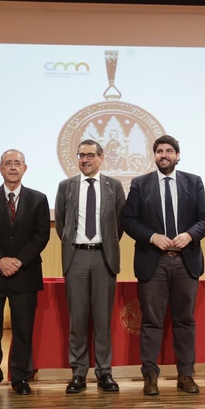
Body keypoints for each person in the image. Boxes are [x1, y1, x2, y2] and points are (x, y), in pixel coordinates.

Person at [122, 134, 205, 395]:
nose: (164, 155)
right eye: (160, 151)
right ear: (155, 156)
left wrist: (190, 235)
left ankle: (186, 375)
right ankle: (150, 376)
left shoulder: (193, 182)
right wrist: (152, 237)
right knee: (151, 322)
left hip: (185, 262)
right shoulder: (140, 184)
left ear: (178, 155)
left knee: (185, 321)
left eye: (169, 151)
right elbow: (128, 220)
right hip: (154, 261)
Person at [0, 150, 50, 396]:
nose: (13, 167)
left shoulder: (39, 199)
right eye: (8, 163)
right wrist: (0, 260)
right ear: (0, 168)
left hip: (24, 274)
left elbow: (41, 235)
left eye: (18, 163)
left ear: (25, 169)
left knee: (23, 330)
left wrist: (18, 261)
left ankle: (20, 377)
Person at [55, 139, 126, 393]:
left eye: (89, 155)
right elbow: (62, 224)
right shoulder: (66, 186)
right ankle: (78, 373)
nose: (84, 160)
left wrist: (104, 244)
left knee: (102, 320)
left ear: (101, 157)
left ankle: (104, 372)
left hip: (103, 257)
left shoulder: (114, 186)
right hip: (76, 258)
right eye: (80, 155)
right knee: (78, 319)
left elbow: (119, 224)